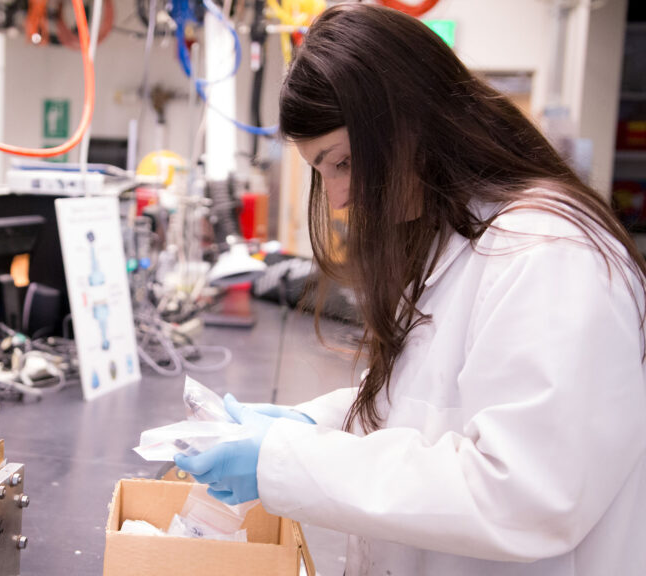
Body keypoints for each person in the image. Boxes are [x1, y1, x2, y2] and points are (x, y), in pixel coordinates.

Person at [174, 4, 646, 575]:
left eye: (344, 161)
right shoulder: (456, 236)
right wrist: (310, 426)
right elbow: (429, 408)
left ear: (413, 120)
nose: (340, 198)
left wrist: (284, 460)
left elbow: (524, 493)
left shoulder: (551, 255)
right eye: (324, 172)